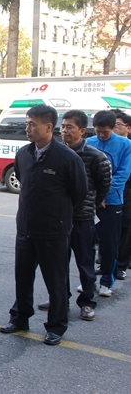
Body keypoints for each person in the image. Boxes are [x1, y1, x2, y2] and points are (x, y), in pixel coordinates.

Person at [0, 104, 87, 346]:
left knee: (55, 281)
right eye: (26, 124)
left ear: (49, 127)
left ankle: (56, 326)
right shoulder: (24, 154)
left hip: (53, 231)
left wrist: (58, 214)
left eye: (32, 124)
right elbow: (23, 180)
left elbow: (79, 192)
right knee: (23, 277)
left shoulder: (67, 157)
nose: (27, 129)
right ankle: (20, 318)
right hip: (26, 228)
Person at [37, 110, 110, 321]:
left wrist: (91, 204)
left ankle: (87, 302)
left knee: (85, 263)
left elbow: (104, 185)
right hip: (59, 219)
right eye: (63, 126)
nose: (65, 131)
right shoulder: (55, 153)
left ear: (82, 131)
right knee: (58, 264)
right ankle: (60, 300)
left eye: (70, 127)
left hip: (82, 219)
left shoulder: (95, 156)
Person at [86, 109, 131, 297]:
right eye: (98, 131)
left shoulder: (126, 145)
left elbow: (122, 175)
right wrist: (96, 197)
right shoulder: (88, 143)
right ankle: (88, 281)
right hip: (91, 203)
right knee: (86, 244)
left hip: (112, 202)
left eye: (105, 132)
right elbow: (86, 173)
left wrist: (103, 194)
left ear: (113, 127)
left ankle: (106, 281)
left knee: (109, 244)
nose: (101, 135)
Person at [111, 109, 131, 281]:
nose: (114, 128)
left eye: (118, 124)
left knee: (125, 229)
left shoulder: (128, 146)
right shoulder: (100, 143)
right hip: (108, 194)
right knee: (107, 230)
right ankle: (106, 263)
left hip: (126, 193)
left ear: (128, 128)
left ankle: (121, 266)